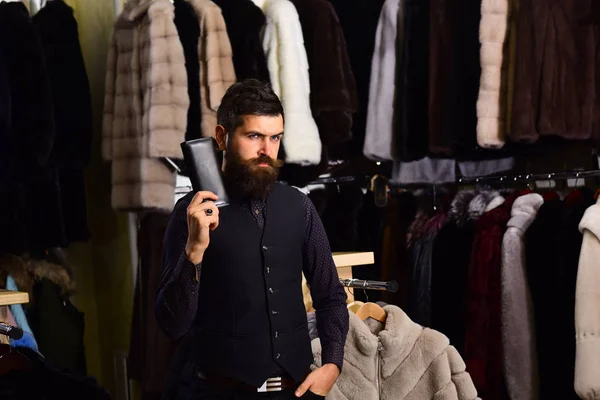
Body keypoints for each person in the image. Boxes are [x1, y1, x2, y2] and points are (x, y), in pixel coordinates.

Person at [155, 79, 349, 399]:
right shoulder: (189, 214)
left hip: (293, 392)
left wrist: (333, 364)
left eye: (275, 138)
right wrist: (194, 250)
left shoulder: (299, 206)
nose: (266, 151)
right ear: (222, 137)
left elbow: (330, 296)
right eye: (254, 136)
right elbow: (172, 325)